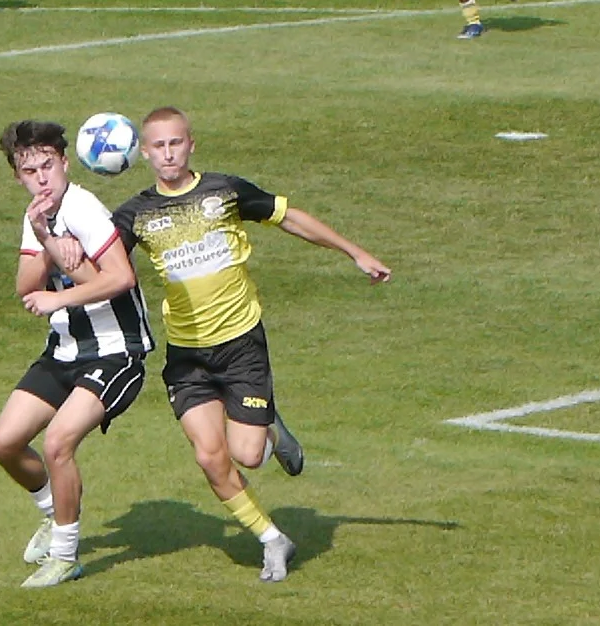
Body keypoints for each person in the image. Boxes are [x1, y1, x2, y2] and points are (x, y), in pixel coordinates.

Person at [111, 107, 391, 582]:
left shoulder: (224, 191)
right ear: (143, 153)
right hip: (186, 355)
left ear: (191, 144)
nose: (168, 153)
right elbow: (100, 266)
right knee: (209, 456)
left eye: (176, 143)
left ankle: (270, 430)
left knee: (245, 454)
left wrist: (355, 252)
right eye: (158, 146)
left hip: (241, 346)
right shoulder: (135, 214)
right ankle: (272, 539)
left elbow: (290, 218)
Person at [0, 120, 155, 588]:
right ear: (17, 177)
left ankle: (65, 556)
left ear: (65, 162)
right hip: (64, 351)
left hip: (116, 353)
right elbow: (25, 286)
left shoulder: (83, 209)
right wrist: (45, 238)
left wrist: (58, 295)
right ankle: (52, 512)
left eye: (47, 166)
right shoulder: (37, 215)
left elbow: (119, 278)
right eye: (29, 171)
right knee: (3, 442)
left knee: (58, 443)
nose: (41, 178)